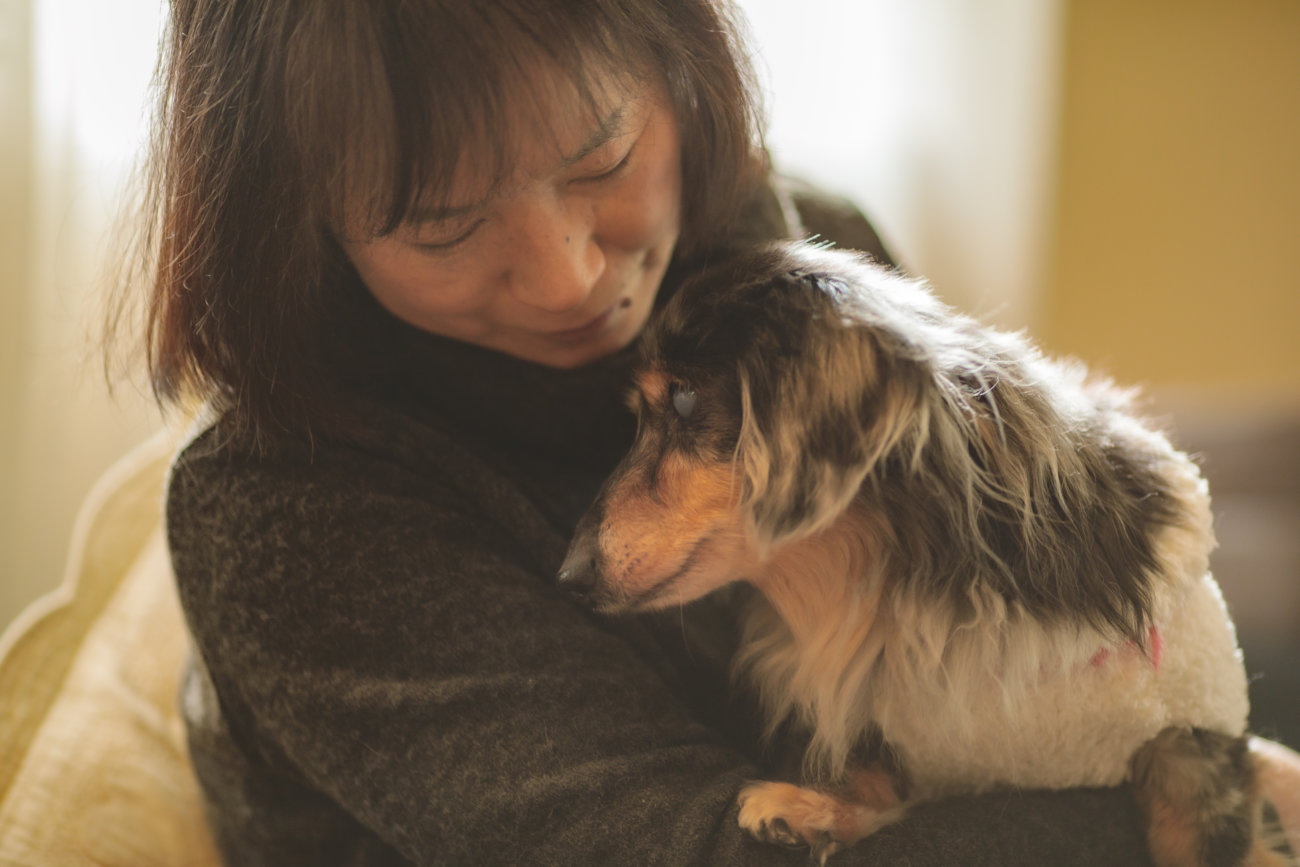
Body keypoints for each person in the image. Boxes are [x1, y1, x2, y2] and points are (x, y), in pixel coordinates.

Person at [111, 1, 1174, 864]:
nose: (570, 274)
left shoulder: (819, 268)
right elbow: (724, 847)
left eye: (601, 159)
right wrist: (1193, 812)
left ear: (685, 73)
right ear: (296, 226)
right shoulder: (289, 511)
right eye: (443, 225)